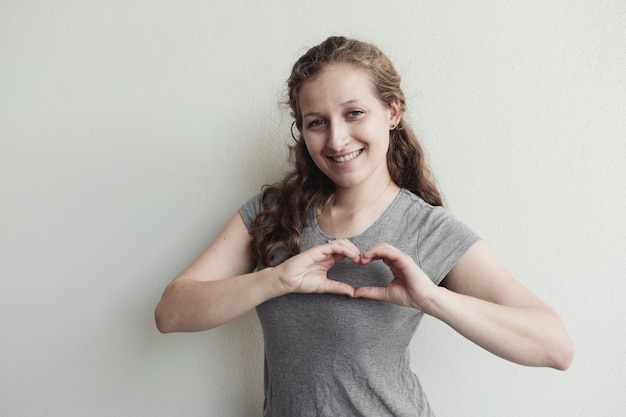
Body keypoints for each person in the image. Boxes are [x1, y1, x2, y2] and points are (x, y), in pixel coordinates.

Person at [155, 36, 573, 416]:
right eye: (317, 122)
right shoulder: (271, 214)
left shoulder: (428, 229)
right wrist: (276, 280)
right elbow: (171, 312)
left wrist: (431, 298)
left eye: (354, 113)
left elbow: (555, 347)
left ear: (392, 112)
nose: (337, 140)